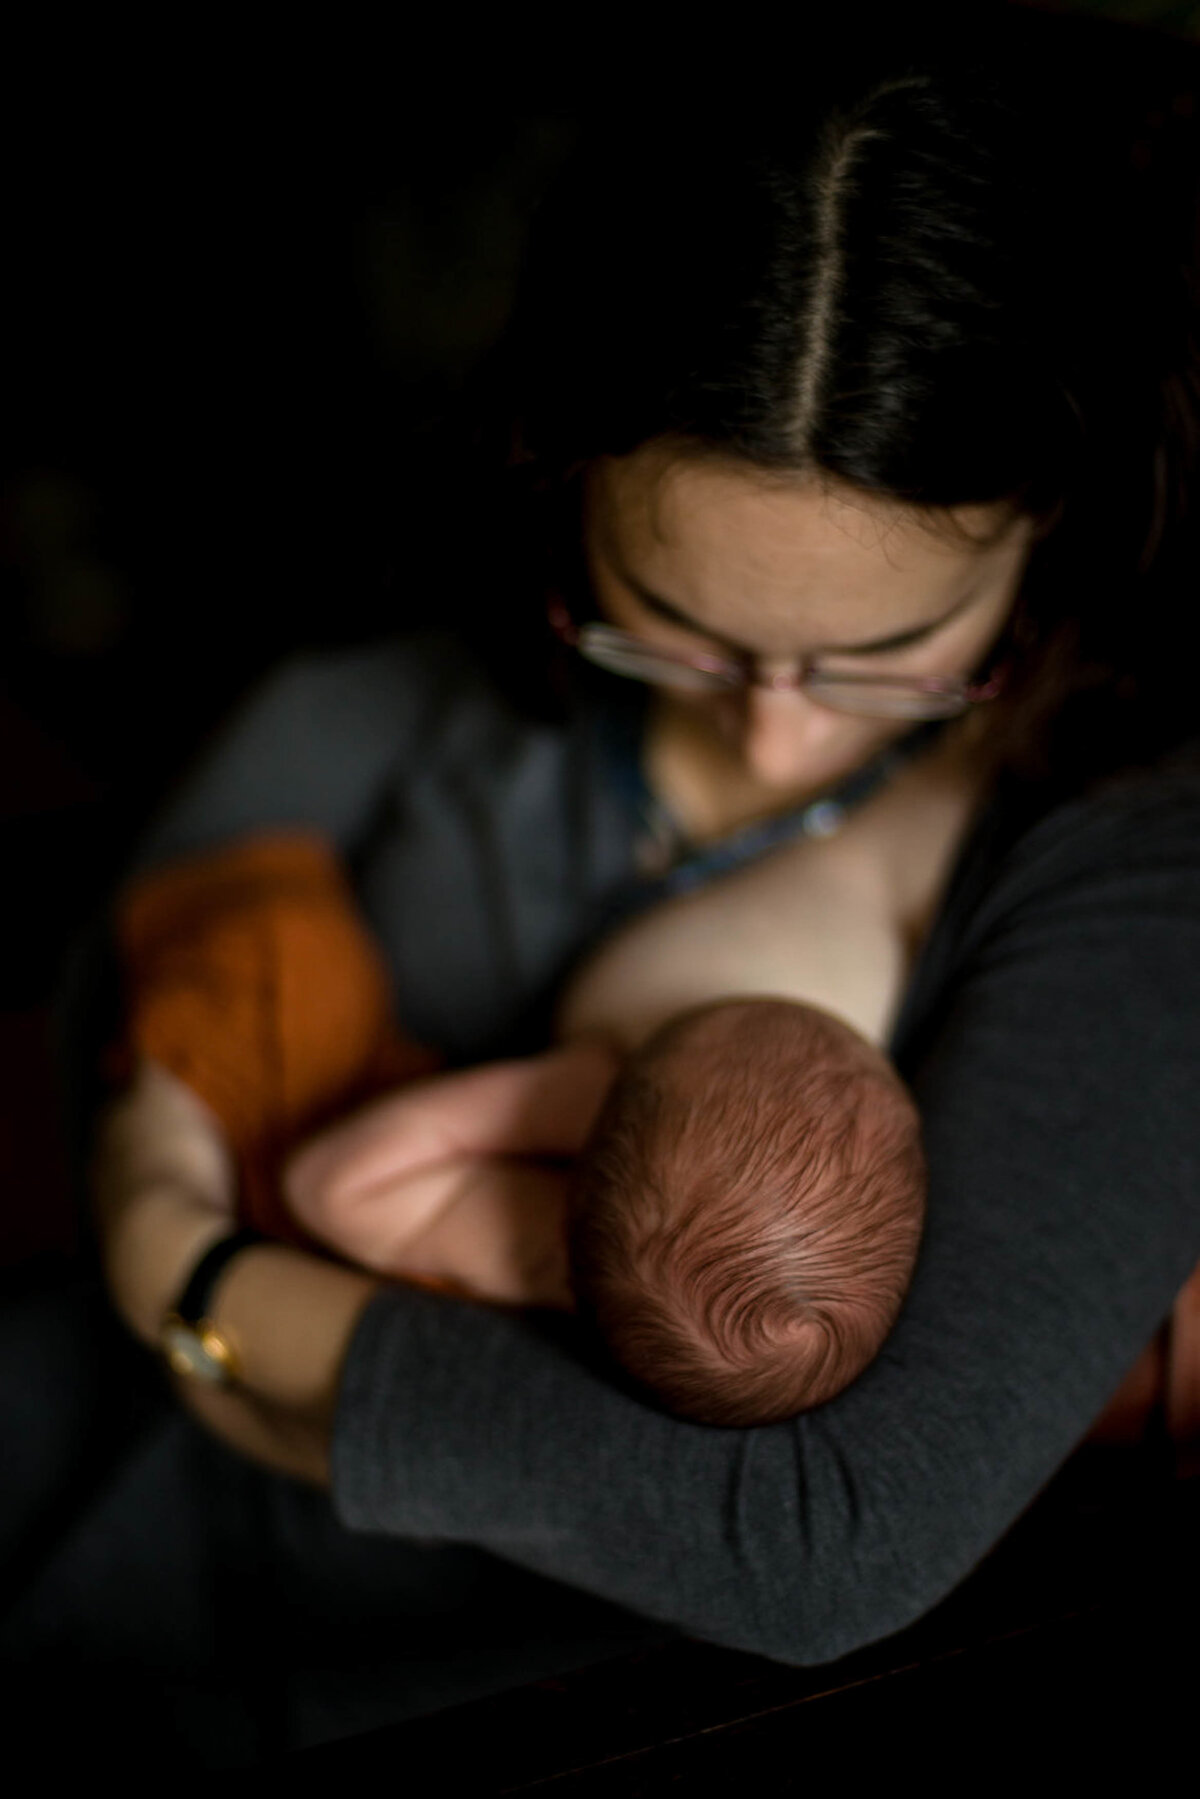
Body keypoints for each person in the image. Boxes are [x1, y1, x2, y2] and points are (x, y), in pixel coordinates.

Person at [9, 8, 1200, 1768]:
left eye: (888, 653)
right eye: (680, 623)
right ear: (558, 463)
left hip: (428, 1700)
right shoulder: (396, 700)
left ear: (1054, 520)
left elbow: (819, 1538)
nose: (777, 731)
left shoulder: (1131, 867)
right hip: (76, 1476)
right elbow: (98, 1023)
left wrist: (191, 1277)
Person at [107, 826, 927, 1425]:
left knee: (284, 958)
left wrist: (557, 1093)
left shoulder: (533, 1239)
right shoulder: (656, 1276)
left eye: (635, 1068)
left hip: (322, 1220)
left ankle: (169, 1119)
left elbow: (327, 1184)